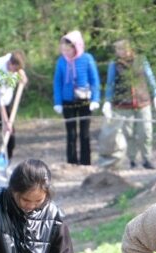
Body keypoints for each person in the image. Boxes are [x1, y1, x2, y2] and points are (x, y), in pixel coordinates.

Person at [102, 39, 156, 169]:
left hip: (143, 101)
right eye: (118, 50)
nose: (121, 52)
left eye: (124, 49)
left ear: (131, 49)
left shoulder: (141, 60)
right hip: (124, 104)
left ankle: (147, 158)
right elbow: (110, 84)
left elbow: (150, 78)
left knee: (146, 132)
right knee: (128, 133)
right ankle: (132, 160)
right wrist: (107, 101)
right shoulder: (114, 65)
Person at [53, 30, 101, 165]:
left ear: (76, 47)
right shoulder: (61, 62)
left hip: (85, 101)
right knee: (71, 134)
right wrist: (57, 102)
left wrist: (95, 99)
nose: (66, 53)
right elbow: (57, 82)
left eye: (69, 50)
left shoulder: (87, 59)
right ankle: (72, 162)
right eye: (64, 50)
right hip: (68, 102)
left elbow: (94, 80)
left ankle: (86, 162)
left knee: (84, 133)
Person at [0, 50, 27, 171]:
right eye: (15, 70)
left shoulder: (11, 58)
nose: (15, 72)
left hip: (7, 103)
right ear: (10, 64)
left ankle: (7, 162)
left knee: (11, 134)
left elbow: (20, 68)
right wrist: (6, 122)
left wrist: (22, 75)